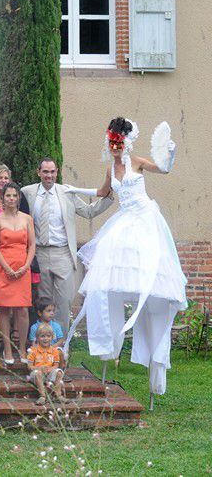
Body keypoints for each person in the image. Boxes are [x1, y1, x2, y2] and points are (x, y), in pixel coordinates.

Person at [65, 118, 186, 397]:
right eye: (112, 144)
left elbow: (164, 169)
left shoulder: (137, 161)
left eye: (119, 143)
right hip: (123, 221)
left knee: (147, 270)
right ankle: (110, 347)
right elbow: (102, 193)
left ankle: (153, 366)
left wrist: (171, 152)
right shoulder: (111, 168)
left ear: (126, 143)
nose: (115, 148)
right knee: (110, 277)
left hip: (144, 218)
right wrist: (75, 191)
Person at [20, 157, 114, 332]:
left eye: (52, 171)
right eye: (45, 172)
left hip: (62, 253)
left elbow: (89, 211)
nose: (49, 175)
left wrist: (109, 197)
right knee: (44, 301)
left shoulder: (67, 193)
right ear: (38, 172)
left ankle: (61, 345)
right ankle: (44, 345)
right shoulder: (27, 192)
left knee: (64, 301)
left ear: (57, 172)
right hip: (39, 254)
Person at [0, 183, 36, 364]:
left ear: (18, 198)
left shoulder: (27, 219)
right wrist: (7, 268)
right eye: (8, 195)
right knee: (4, 309)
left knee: (23, 309)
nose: (11, 199)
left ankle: (22, 349)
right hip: (2, 267)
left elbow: (31, 244)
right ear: (3, 198)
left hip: (23, 267)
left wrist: (26, 266)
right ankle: (7, 350)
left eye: (14, 195)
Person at [27, 324, 67, 405]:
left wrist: (50, 369)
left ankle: (58, 395)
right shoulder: (33, 351)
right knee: (37, 373)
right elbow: (29, 366)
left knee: (59, 372)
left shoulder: (54, 351)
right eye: (42, 336)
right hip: (37, 374)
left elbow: (56, 365)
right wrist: (38, 368)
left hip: (49, 373)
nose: (45, 339)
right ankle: (42, 396)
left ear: (52, 337)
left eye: (48, 336)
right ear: (37, 338)